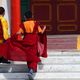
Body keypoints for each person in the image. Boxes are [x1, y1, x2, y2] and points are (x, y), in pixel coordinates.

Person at [0, 11, 47, 75]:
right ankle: (31, 70)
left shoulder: (24, 24)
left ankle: (30, 69)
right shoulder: (35, 23)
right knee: (33, 55)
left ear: (25, 17)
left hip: (26, 41)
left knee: (29, 56)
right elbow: (41, 32)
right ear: (32, 16)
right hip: (34, 41)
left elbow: (18, 33)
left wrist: (12, 38)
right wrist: (44, 28)